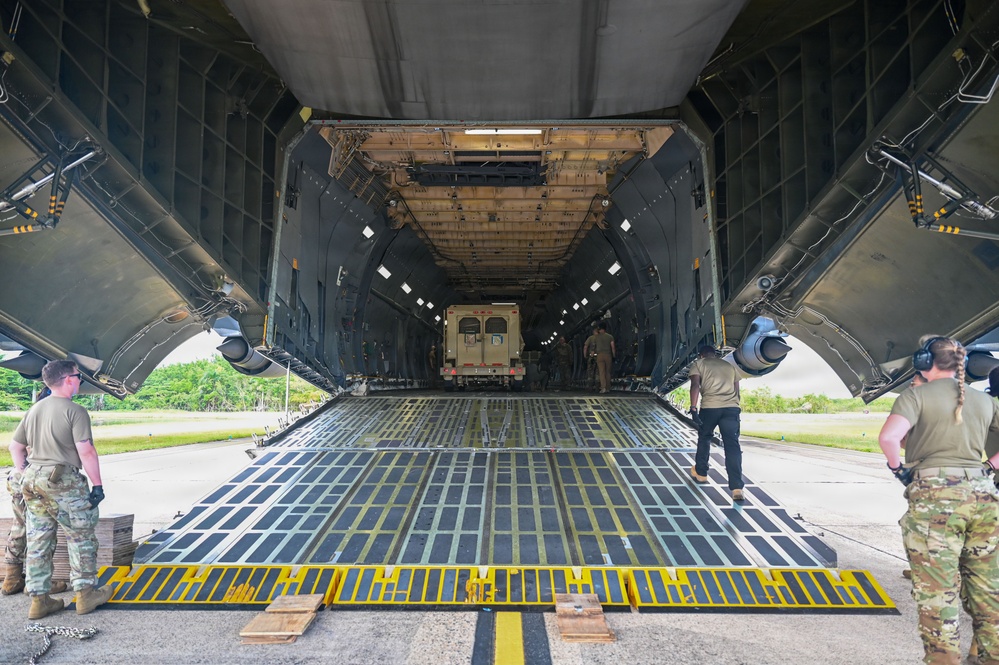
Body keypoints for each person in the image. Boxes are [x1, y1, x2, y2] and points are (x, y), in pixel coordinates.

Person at [878, 336, 999, 663]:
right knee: (989, 595)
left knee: (937, 595)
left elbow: (889, 438)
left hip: (937, 499)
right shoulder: (984, 400)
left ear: (923, 361)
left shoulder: (914, 396)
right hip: (984, 496)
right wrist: (989, 466)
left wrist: (898, 469)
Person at [9, 360, 114, 619]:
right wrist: (98, 485)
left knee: (38, 539)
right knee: (81, 537)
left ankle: (39, 600)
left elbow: (15, 447)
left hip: (32, 480)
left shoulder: (35, 409)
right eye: (78, 376)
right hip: (62, 481)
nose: (80, 380)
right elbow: (86, 451)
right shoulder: (75, 411)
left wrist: (29, 472)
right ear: (68, 379)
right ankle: (86, 595)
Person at [2, 387, 67, 596]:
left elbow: (15, 447)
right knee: (41, 530)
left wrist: (22, 473)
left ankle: (11, 578)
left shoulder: (31, 415)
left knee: (20, 525)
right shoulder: (54, 417)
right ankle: (36, 582)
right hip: (35, 478)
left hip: (18, 477)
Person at [688, 345, 745, 501]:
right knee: (732, 446)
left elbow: (695, 386)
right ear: (715, 354)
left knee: (705, 437)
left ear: (701, 355)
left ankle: (701, 473)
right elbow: (737, 390)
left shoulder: (698, 364)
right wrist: (735, 408)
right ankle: (737, 487)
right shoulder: (729, 366)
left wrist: (693, 407)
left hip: (710, 407)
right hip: (731, 409)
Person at [591, 325, 616, 394]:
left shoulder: (596, 337)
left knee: (601, 372)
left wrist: (592, 355)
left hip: (600, 356)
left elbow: (593, 347)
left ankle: (603, 388)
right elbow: (613, 347)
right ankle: (608, 388)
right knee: (608, 372)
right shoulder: (610, 337)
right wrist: (614, 355)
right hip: (608, 355)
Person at [583, 325, 599, 390]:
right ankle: (597, 387)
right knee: (598, 372)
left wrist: (585, 355)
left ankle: (590, 387)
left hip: (591, 357)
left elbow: (585, 347)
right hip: (599, 357)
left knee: (590, 372)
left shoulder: (590, 338)